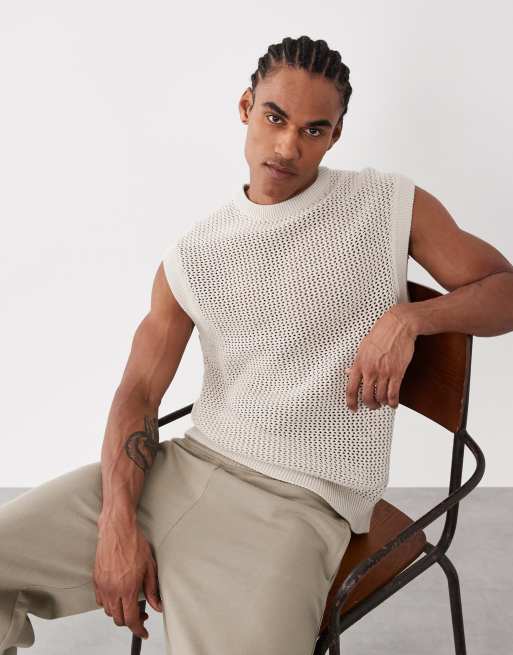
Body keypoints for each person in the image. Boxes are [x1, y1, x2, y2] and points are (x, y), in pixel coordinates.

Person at [2, 34, 513, 655]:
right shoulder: (195, 255)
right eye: (275, 117)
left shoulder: (385, 205)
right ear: (246, 107)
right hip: (180, 469)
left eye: (313, 130)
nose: (288, 146)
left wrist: (411, 319)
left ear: (335, 135)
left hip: (298, 505)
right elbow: (137, 393)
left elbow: (504, 290)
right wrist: (117, 524)